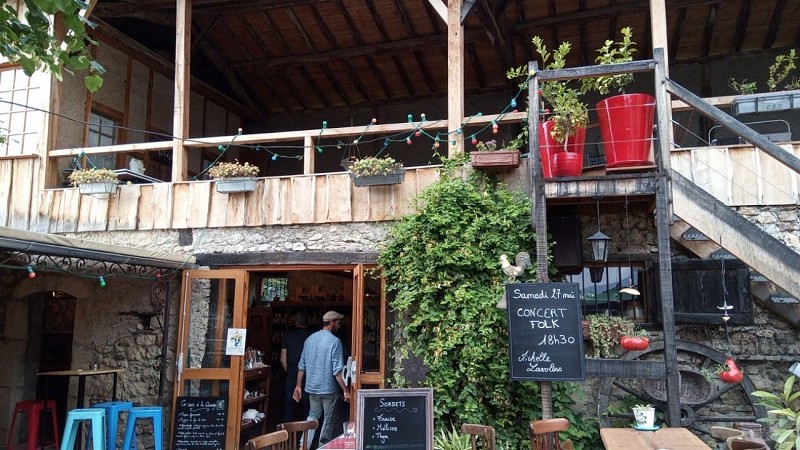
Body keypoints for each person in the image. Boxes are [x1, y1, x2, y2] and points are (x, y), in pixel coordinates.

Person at [293, 311, 350, 448]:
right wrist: (346, 390)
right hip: (328, 389)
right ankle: (322, 447)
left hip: (312, 387)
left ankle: (303, 445)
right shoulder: (335, 341)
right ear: (331, 323)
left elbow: (302, 366)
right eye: (338, 323)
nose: (339, 326)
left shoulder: (309, 339)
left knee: (313, 416)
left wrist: (298, 386)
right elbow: (337, 371)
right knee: (328, 421)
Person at [281, 311, 313, 423]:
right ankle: (307, 435)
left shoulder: (288, 336)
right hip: (308, 375)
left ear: (296, 323)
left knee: (290, 406)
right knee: (308, 407)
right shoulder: (312, 336)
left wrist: (290, 371)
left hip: (292, 373)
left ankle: (287, 434)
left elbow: (282, 359)